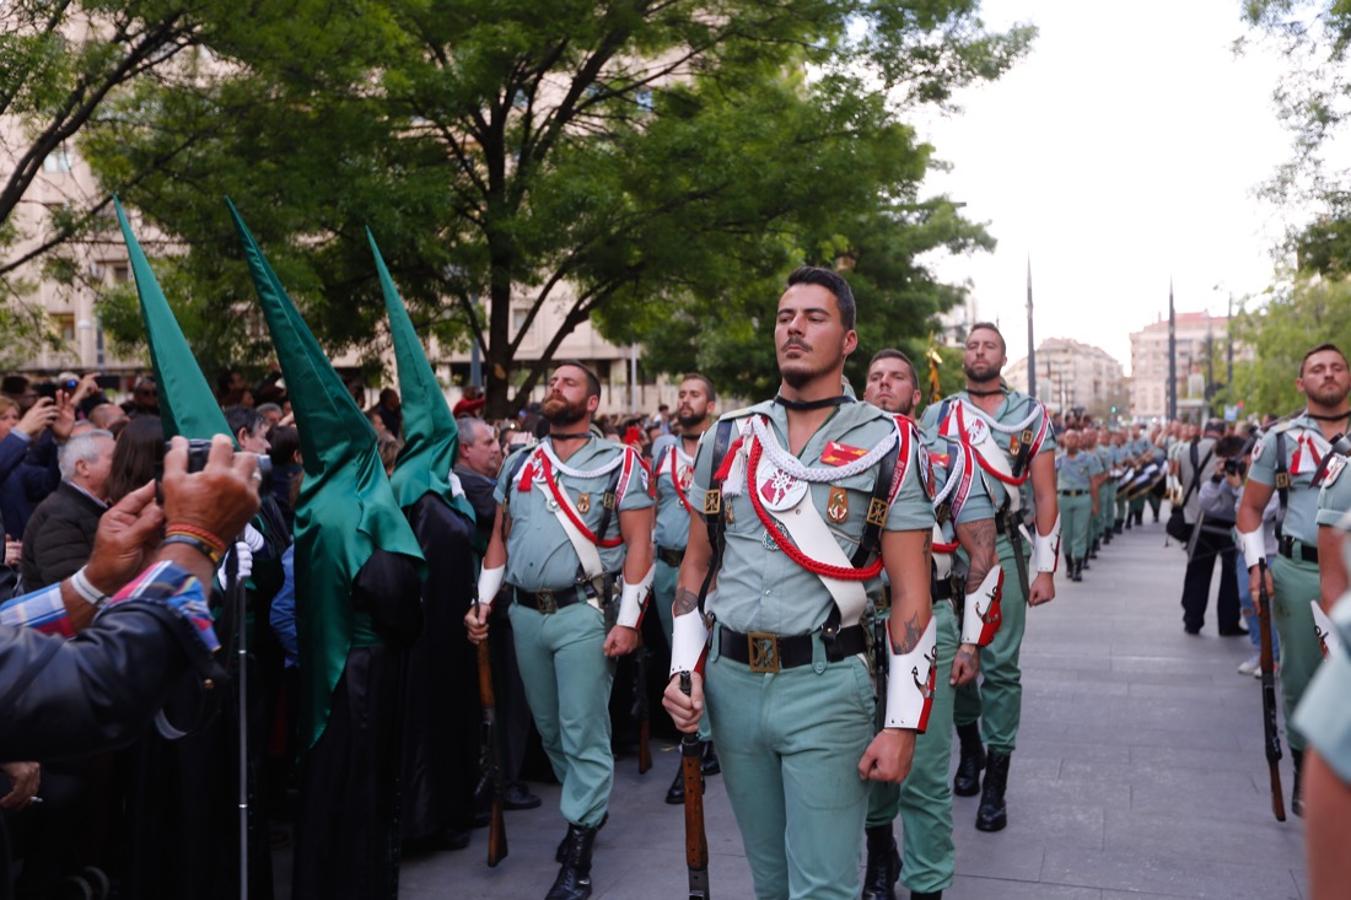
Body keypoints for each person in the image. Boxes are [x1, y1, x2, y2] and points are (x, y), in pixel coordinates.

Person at [662, 268, 934, 900]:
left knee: (823, 888)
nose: (794, 327)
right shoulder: (730, 436)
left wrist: (902, 724)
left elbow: (912, 598)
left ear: (848, 340)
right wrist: (684, 670)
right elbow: (696, 570)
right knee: (771, 882)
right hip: (731, 687)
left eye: (814, 317)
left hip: (826, 686)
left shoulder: (889, 444)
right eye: (786, 316)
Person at [465, 361, 654, 900]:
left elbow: (639, 545)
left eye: (568, 383)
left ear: (592, 403)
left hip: (583, 613)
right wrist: (482, 602)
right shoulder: (521, 462)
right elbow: (499, 539)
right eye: (553, 382)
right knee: (550, 731)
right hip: (524, 613)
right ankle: (587, 811)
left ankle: (579, 848)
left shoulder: (621, 464)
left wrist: (629, 619)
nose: (555, 388)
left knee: (581, 728)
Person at [863, 348, 997, 900]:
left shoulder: (948, 457)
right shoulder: (835, 456)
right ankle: (878, 859)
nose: (884, 385)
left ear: (917, 395)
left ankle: (927, 886)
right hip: (853, 625)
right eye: (874, 378)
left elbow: (983, 553)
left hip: (928, 624)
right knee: (864, 757)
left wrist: (971, 640)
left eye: (896, 378)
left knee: (923, 769)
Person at [920, 321, 1058, 833]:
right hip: (943, 548)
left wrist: (1046, 567)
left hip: (1001, 546)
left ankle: (996, 777)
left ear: (1003, 355)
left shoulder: (1029, 414)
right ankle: (970, 745)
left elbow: (1045, 493)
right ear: (964, 358)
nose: (980, 352)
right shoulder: (939, 414)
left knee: (1000, 665)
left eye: (990, 345)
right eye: (973, 346)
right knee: (952, 655)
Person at [1237, 343, 1351, 817]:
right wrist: (1256, 566)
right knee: (1304, 678)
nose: (1328, 375)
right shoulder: (1279, 440)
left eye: (1337, 367)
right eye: (1317, 370)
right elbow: (1250, 510)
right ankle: (1307, 774)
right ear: (1301, 384)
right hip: (1299, 572)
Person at [452, 416, 540, 814]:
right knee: (508, 697)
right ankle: (506, 779)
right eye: (488, 442)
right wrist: (522, 458)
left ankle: (511, 772)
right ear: (465, 450)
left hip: (500, 604)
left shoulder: (482, 482)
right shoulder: (468, 483)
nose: (495, 448)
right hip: (493, 606)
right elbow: (512, 510)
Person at [650, 373, 720, 804]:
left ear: (710, 405)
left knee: (708, 655)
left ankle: (700, 743)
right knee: (680, 655)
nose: (686, 400)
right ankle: (701, 735)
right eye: (681, 394)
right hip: (666, 569)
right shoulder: (660, 450)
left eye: (695, 394)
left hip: (711, 571)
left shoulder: (723, 448)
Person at [20, 430, 115, 590]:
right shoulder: (59, 515)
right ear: (83, 467)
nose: (124, 463)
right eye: (114, 457)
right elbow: (74, 590)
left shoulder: (95, 506)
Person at [1189, 433, 1246, 635]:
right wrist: (1216, 478)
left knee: (1231, 578)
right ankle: (1193, 618)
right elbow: (1206, 502)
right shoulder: (1220, 472)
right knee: (1199, 572)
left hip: (1235, 525)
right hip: (1211, 524)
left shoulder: (1250, 469)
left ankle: (1228, 622)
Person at [1056, 429, 1101, 582]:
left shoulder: (1088, 459)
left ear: (1079, 441)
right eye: (1068, 438)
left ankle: (1078, 568)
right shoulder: (1059, 460)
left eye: (1074, 438)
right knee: (1066, 535)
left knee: (1080, 533)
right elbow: (1049, 481)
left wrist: (1095, 504)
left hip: (1083, 498)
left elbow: (1094, 483)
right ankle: (1069, 563)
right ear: (1064, 441)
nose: (1071, 441)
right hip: (1064, 499)